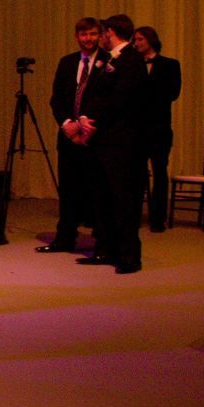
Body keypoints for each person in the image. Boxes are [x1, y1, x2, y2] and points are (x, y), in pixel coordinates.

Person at [73, 15, 152, 273]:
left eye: (103, 32)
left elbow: (122, 99)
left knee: (124, 199)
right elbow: (96, 92)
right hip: (103, 142)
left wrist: (94, 119)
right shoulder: (108, 60)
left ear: (110, 32)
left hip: (123, 144)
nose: (101, 37)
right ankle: (106, 248)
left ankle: (130, 255)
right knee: (103, 198)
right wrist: (85, 116)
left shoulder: (132, 59)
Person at [41, 18, 106, 255]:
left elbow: (107, 100)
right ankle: (65, 237)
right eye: (83, 35)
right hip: (68, 138)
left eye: (92, 34)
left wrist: (86, 125)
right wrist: (66, 123)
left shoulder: (108, 62)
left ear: (100, 35)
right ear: (76, 36)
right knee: (68, 190)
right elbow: (56, 99)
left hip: (95, 138)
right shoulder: (67, 62)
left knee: (97, 191)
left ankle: (101, 240)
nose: (88, 39)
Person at [133, 26, 182, 232]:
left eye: (140, 40)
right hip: (136, 127)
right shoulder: (132, 64)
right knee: (136, 173)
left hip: (159, 126)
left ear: (151, 41)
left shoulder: (170, 64)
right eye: (135, 40)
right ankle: (133, 215)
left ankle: (157, 217)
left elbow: (173, 93)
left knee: (160, 172)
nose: (136, 44)